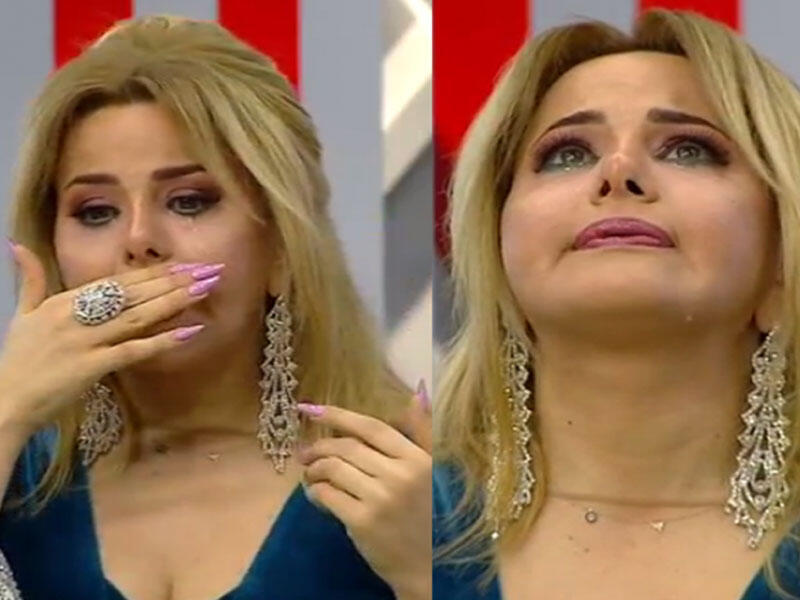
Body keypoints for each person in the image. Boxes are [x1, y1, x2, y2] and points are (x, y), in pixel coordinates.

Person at [0, 15, 432, 600]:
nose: (139, 239)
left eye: (189, 201)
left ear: (281, 247)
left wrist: (428, 572)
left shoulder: (403, 480)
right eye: (96, 211)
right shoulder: (17, 471)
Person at [433, 8, 800, 600]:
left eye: (688, 149)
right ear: (498, 246)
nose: (619, 170)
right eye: (567, 153)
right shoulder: (381, 520)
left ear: (782, 256)